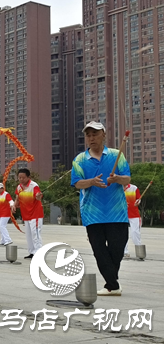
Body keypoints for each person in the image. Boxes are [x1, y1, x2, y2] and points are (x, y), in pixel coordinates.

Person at [72, 121, 131, 296]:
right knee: (99, 250)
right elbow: (76, 183)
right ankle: (112, 285)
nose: (91, 138)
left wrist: (117, 179)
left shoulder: (116, 155)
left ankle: (112, 283)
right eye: (88, 135)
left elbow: (127, 179)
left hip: (117, 212)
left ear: (103, 135)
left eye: (95, 134)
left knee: (117, 250)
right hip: (92, 213)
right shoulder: (80, 159)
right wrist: (91, 182)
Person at [15, 168, 43, 259]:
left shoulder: (34, 186)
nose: (21, 179)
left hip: (35, 214)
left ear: (28, 177)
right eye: (19, 178)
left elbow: (38, 196)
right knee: (29, 235)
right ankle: (32, 252)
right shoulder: (19, 187)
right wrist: (14, 206)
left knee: (36, 234)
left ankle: (38, 253)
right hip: (26, 215)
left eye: (23, 177)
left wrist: (39, 196)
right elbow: (17, 198)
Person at [123, 183, 142, 257]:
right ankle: (125, 252)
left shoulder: (134, 188)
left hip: (134, 214)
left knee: (135, 232)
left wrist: (138, 201)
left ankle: (139, 252)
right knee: (123, 233)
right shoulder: (117, 188)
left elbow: (138, 198)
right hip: (122, 214)